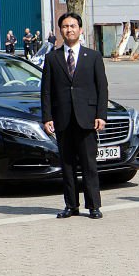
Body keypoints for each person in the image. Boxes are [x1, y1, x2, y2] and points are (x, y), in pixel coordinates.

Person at [40, 12, 108, 220]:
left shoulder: (93, 56)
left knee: (89, 165)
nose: (69, 30)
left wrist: (101, 115)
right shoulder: (52, 58)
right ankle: (71, 205)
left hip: (87, 118)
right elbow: (46, 91)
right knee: (67, 165)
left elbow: (102, 88)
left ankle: (94, 206)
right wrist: (47, 117)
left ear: (80, 29)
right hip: (62, 119)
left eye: (73, 26)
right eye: (65, 27)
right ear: (60, 30)